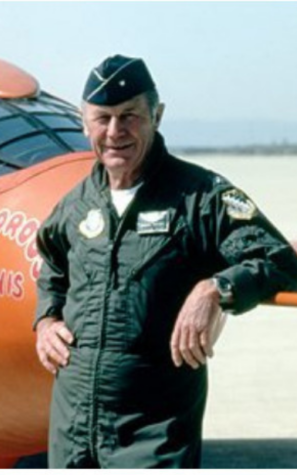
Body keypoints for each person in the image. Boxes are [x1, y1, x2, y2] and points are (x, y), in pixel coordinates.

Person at [33, 54, 297, 468]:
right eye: (102, 118)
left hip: (153, 430)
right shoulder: (76, 204)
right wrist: (46, 319)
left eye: (130, 116)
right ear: (85, 124)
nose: (115, 132)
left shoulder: (200, 196)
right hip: (73, 426)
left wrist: (216, 289)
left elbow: (277, 259)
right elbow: (53, 264)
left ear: (157, 115)